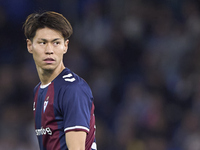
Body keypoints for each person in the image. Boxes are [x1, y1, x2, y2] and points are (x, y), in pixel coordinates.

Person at [23, 11, 97, 150]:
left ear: (65, 46)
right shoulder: (39, 90)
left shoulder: (72, 89)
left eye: (56, 43)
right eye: (42, 42)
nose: (49, 50)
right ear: (29, 46)